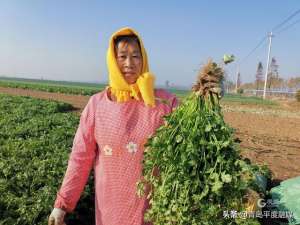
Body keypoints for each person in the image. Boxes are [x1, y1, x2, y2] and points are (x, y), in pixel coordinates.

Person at [48, 27, 220, 225]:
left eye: (135, 56)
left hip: (155, 209)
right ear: (113, 59)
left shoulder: (164, 102)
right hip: (111, 210)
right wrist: (62, 204)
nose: (129, 63)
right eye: (122, 56)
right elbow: (80, 157)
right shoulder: (97, 105)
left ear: (144, 59)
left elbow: (192, 136)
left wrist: (206, 100)